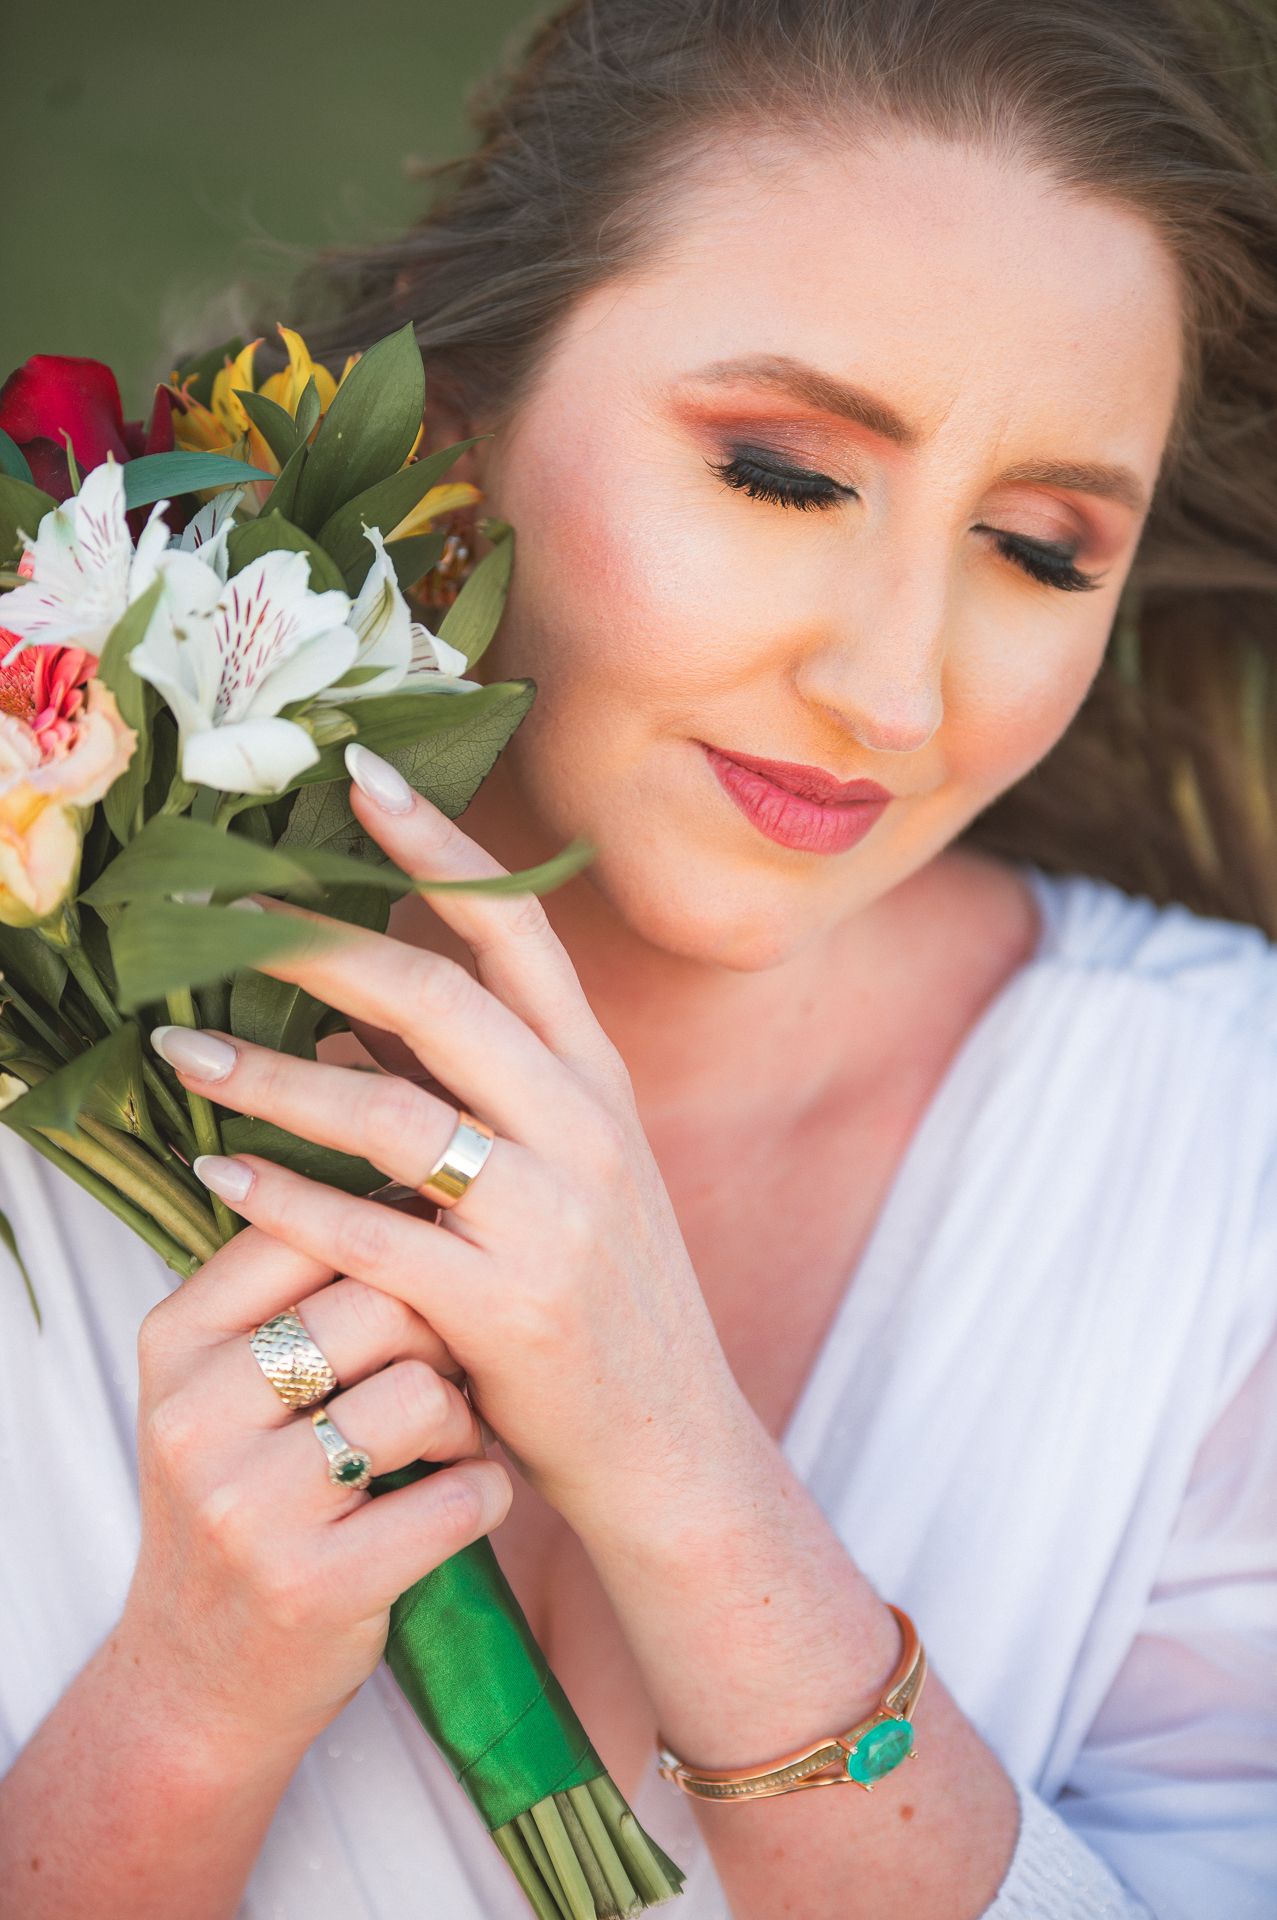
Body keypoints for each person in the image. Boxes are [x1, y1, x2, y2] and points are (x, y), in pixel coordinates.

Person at [2, 0, 1276, 1914]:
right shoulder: (52, 1033)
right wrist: (185, 1705)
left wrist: (687, 1477)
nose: (891, 689)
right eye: (780, 474)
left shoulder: (1225, 1155)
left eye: (1032, 546)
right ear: (448, 413)